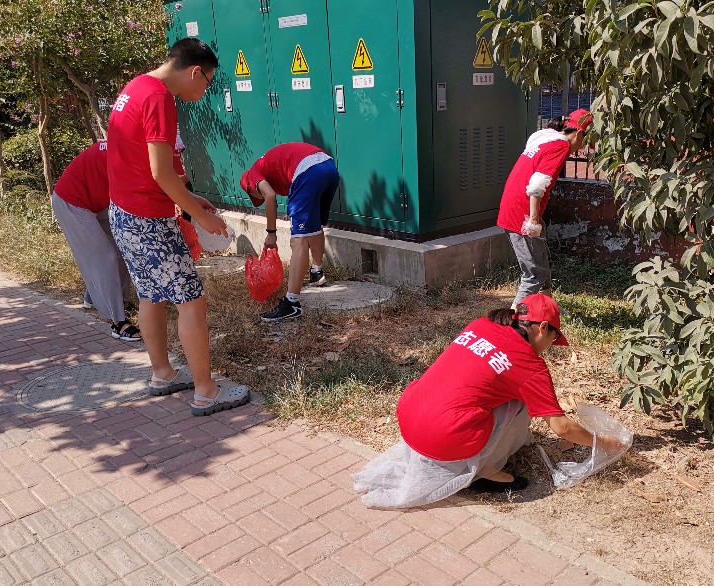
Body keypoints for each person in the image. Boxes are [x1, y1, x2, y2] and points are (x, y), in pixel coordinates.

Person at [351, 293, 626, 509]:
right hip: (441, 436)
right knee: (521, 403)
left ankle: (479, 457)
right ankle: (485, 470)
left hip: (411, 416)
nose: (550, 347)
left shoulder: (480, 325)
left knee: (502, 395)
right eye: (553, 339)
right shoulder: (529, 365)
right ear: (543, 328)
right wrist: (604, 443)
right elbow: (562, 428)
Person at [107, 37, 249, 416]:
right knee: (191, 300)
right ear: (194, 71)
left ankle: (163, 374)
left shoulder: (135, 87)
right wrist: (202, 217)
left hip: (123, 212)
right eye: (208, 82)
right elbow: (160, 172)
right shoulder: (159, 98)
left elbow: (145, 166)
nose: (205, 91)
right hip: (147, 220)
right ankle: (206, 391)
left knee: (151, 295)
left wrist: (189, 200)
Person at [497, 109, 593, 308]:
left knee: (542, 261)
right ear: (579, 134)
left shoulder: (546, 140)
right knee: (534, 274)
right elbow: (537, 185)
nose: (585, 146)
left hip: (514, 204)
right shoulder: (561, 146)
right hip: (522, 212)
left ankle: (548, 309)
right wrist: (532, 220)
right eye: (586, 140)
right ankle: (512, 325)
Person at [51, 140, 141, 342]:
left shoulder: (130, 148)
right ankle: (117, 321)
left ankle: (96, 296)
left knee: (123, 248)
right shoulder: (125, 153)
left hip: (97, 204)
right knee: (107, 257)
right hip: (71, 202)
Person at [239, 142, 340, 322]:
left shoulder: (252, 174)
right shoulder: (271, 167)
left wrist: (271, 233)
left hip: (308, 171)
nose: (258, 197)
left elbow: (270, 197)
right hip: (328, 167)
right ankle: (317, 272)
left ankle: (291, 303)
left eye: (255, 196)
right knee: (314, 227)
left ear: (249, 187)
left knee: (298, 240)